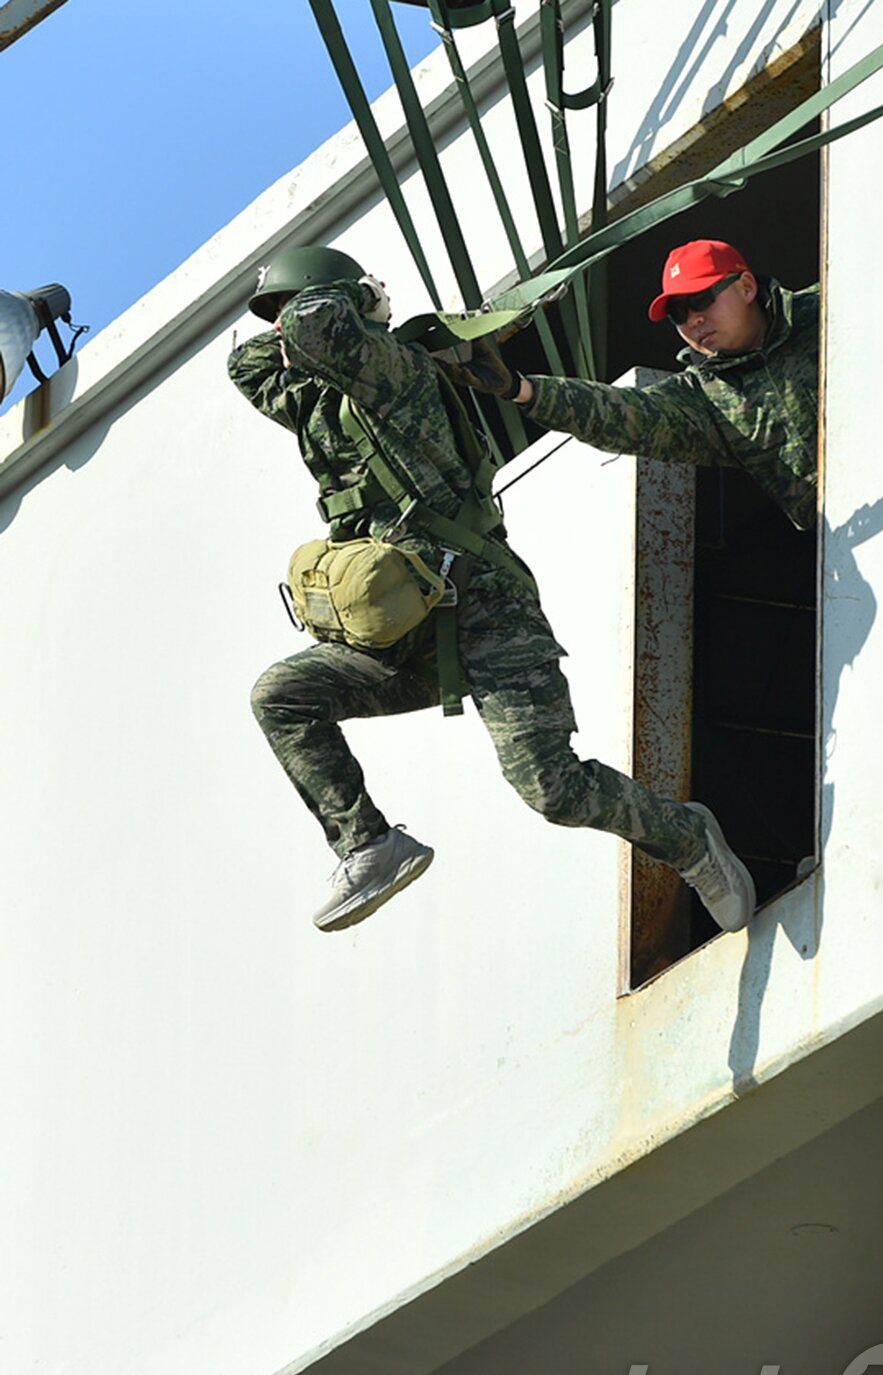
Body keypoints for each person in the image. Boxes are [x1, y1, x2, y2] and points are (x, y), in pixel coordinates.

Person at [227, 245, 755, 935]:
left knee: (552, 788)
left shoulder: (396, 373)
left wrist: (358, 299)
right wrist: (310, 318)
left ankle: (686, 838)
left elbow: (312, 329)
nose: (279, 332)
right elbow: (248, 364)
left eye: (287, 312)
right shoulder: (315, 402)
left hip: (486, 608)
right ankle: (368, 845)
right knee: (282, 696)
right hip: (401, 628)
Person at [446, 238, 820, 534]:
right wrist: (520, 388)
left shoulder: (828, 306)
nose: (693, 320)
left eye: (700, 299)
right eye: (678, 314)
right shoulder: (707, 397)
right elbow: (624, 415)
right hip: (841, 539)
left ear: (747, 286)